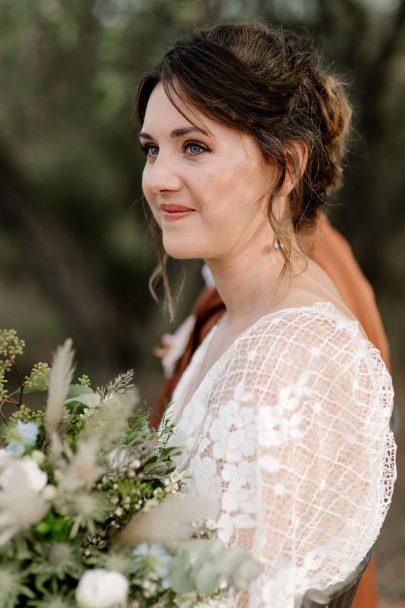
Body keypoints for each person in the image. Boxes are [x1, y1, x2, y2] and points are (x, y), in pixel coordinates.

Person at [136, 24, 396, 607]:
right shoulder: (238, 322)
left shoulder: (294, 354)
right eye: (152, 148)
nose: (158, 178)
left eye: (194, 146)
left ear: (287, 165)